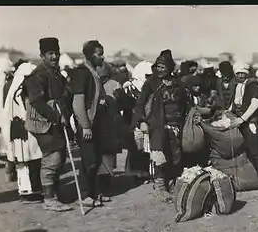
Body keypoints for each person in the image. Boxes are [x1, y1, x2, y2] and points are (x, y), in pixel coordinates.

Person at [131, 49, 192, 201]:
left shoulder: (179, 84)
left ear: (170, 68)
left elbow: (185, 104)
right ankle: (160, 187)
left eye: (163, 67)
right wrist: (142, 121)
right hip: (157, 125)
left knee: (175, 155)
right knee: (159, 155)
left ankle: (171, 183)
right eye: (157, 66)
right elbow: (139, 105)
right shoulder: (150, 84)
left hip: (176, 124)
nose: (159, 69)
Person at [22, 37, 73, 212]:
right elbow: (37, 102)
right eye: (50, 54)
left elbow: (66, 90)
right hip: (43, 123)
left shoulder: (56, 72)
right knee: (53, 158)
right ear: (42, 55)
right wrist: (58, 117)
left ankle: (54, 194)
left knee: (59, 157)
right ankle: (49, 199)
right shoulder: (38, 75)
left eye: (56, 53)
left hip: (54, 122)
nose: (54, 57)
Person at [70, 41, 116, 208]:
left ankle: (93, 192)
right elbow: (78, 101)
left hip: (96, 124)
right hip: (87, 124)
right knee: (88, 161)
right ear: (88, 55)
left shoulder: (94, 73)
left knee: (96, 160)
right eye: (99, 54)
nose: (102, 57)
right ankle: (85, 195)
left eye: (103, 53)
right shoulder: (82, 73)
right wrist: (85, 125)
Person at [2, 62, 44, 203]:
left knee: (23, 160)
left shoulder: (13, 88)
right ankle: (29, 191)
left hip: (16, 127)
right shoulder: (23, 89)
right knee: (28, 159)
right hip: (23, 127)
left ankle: (27, 190)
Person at [228, 61, 258, 188]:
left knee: (254, 149)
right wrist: (228, 111)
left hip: (251, 120)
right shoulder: (236, 85)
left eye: (243, 73)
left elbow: (254, 104)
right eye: (238, 73)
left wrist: (242, 119)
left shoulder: (253, 85)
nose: (240, 76)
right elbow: (235, 102)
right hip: (239, 118)